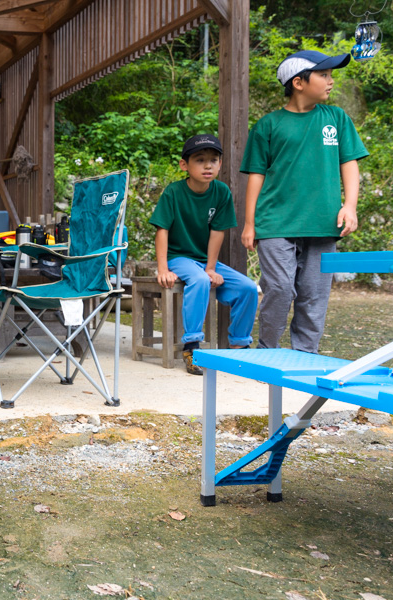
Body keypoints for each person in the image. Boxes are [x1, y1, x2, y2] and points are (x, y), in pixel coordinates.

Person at [241, 50, 368, 353]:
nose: (330, 81)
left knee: (314, 295)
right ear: (298, 82)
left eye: (330, 75)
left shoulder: (336, 118)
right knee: (280, 289)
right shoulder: (268, 126)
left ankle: (305, 357)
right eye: (324, 75)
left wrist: (350, 206)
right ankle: (268, 352)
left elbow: (349, 163)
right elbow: (256, 176)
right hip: (275, 223)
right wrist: (249, 223)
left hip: (323, 223)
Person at [150, 134, 259, 375]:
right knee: (198, 280)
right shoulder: (174, 192)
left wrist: (211, 267)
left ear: (220, 164)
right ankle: (192, 347)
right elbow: (162, 230)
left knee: (247, 288)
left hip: (204, 261)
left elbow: (218, 233)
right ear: (184, 165)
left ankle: (239, 346)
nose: (208, 165)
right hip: (178, 258)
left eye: (213, 160)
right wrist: (163, 268)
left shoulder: (221, 192)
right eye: (200, 160)